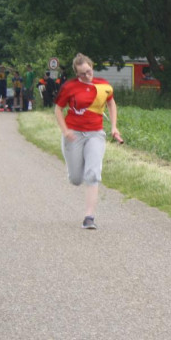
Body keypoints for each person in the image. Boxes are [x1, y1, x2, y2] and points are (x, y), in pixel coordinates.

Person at [54, 53, 123, 229]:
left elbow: (111, 103)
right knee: (76, 179)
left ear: (92, 67)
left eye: (89, 71)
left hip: (95, 133)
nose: (86, 75)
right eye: (82, 74)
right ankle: (76, 167)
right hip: (74, 134)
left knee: (92, 174)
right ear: (76, 74)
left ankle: (89, 217)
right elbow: (58, 109)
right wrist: (65, 130)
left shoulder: (103, 85)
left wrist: (114, 127)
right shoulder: (69, 87)